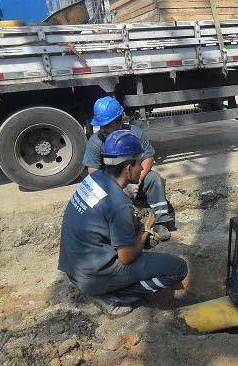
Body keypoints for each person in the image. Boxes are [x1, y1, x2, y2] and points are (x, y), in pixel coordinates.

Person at [59, 130, 188, 317]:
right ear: (128, 168)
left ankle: (104, 288)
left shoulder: (94, 179)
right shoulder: (119, 203)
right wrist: (145, 231)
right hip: (93, 277)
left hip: (72, 268)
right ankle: (114, 296)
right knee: (178, 268)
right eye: (139, 163)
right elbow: (126, 257)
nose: (143, 169)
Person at [83, 96, 174, 241]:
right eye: (101, 126)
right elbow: (93, 173)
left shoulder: (135, 133)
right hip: (111, 184)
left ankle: (162, 221)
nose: (103, 130)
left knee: (155, 179)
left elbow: (148, 158)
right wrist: (115, 189)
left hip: (133, 177)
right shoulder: (96, 141)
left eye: (107, 125)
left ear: (119, 121)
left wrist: (136, 183)